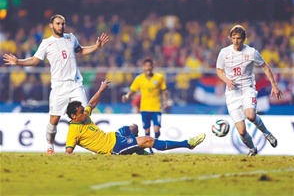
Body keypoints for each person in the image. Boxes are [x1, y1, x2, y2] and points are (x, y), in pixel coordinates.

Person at [3, 14, 109, 155]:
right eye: (58, 23)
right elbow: (35, 60)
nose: (61, 26)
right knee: (54, 120)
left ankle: (95, 147)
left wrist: (96, 46)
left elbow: (81, 51)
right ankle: (50, 145)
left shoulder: (71, 38)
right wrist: (18, 62)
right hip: (59, 87)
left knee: (85, 115)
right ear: (51, 26)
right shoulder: (47, 43)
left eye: (63, 23)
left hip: (75, 84)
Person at [65, 79, 206, 155]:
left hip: (114, 136)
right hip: (114, 148)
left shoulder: (84, 116)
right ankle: (187, 144)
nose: (85, 113)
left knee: (133, 127)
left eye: (84, 111)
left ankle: (138, 150)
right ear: (73, 116)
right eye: (81, 112)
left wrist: (101, 89)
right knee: (149, 140)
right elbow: (68, 151)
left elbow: (91, 103)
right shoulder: (73, 131)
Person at [216, 25, 283, 156]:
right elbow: (219, 70)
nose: (236, 41)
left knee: (251, 116)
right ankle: (252, 148)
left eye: (239, 38)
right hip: (232, 93)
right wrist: (227, 80)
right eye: (234, 38)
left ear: (244, 39)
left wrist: (274, 86)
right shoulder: (224, 52)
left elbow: (265, 67)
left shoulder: (251, 52)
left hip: (248, 89)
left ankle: (267, 133)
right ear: (230, 38)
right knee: (241, 131)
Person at [122, 58, 168, 154]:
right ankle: (150, 148)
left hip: (156, 108)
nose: (148, 67)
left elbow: (164, 91)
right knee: (146, 130)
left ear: (152, 67)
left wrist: (166, 102)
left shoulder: (159, 77)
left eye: (150, 65)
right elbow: (133, 91)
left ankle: (155, 143)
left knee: (157, 130)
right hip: (144, 108)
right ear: (143, 67)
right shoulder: (139, 79)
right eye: (146, 66)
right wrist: (126, 96)